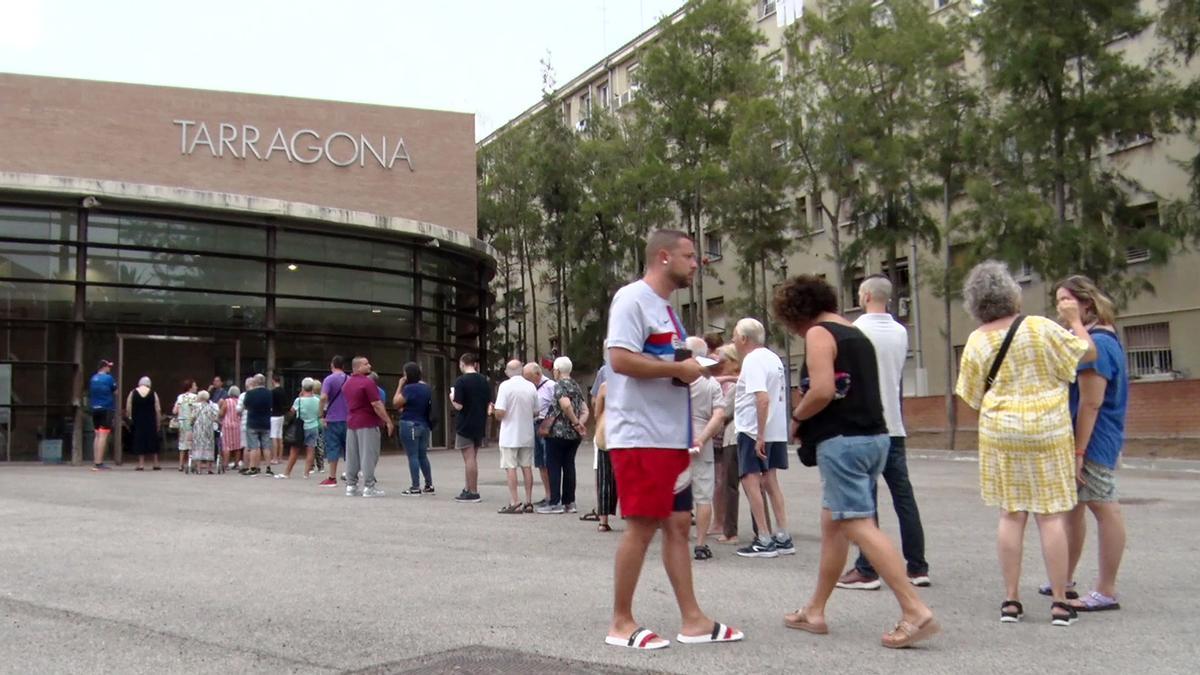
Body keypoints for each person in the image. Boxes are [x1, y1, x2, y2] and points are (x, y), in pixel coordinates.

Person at [775, 274, 939, 649]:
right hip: (875, 436)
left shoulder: (819, 333)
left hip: (843, 441)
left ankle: (915, 610)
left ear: (796, 312)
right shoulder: (855, 333)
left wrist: (796, 419)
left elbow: (821, 390)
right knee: (834, 523)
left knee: (858, 523)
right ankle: (815, 610)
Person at [604, 229, 743, 650]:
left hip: (670, 437)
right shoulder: (632, 299)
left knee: (679, 525)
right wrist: (677, 371)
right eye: (689, 255)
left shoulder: (666, 309)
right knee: (643, 524)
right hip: (641, 435)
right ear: (663, 257)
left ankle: (694, 620)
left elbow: (669, 361)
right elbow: (620, 358)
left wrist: (702, 366)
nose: (696, 262)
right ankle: (621, 623)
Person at [955, 261, 1096, 627]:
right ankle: (1061, 602)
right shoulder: (1039, 327)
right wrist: (1076, 321)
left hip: (1002, 431)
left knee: (1011, 514)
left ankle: (1011, 600)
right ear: (1011, 293)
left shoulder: (976, 340)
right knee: (1050, 517)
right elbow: (1087, 353)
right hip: (1048, 430)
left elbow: (970, 396)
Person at [838, 276, 931, 590]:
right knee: (904, 496)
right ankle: (917, 566)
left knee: (866, 499)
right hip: (895, 425)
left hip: (866, 424)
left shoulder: (855, 330)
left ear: (864, 295)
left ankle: (867, 567)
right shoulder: (901, 331)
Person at [1055, 275, 1129, 613]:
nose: (1061, 308)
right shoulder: (1099, 338)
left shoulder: (1096, 344)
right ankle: (1064, 578)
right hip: (1091, 435)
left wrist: (1079, 452)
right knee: (1074, 508)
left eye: (1067, 301)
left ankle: (1106, 589)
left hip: (1094, 437)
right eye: (1058, 301)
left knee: (1103, 505)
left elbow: (1091, 402)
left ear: (1086, 304)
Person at [731, 318, 794, 559]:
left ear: (745, 338)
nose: (733, 340)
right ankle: (783, 534)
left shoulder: (753, 360)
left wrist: (759, 435)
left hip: (753, 429)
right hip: (774, 427)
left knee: (750, 479)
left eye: (735, 335)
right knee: (771, 481)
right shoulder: (773, 358)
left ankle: (764, 538)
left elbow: (762, 398)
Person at [685, 337, 726, 561]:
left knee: (677, 494)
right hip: (702, 444)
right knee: (703, 497)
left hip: (676, 441)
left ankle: (677, 540)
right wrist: (702, 438)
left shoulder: (674, 381)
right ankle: (700, 544)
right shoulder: (711, 384)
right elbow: (719, 415)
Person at [536, 356, 589, 515]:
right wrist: (579, 424)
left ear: (557, 371)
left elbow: (565, 405)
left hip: (557, 433)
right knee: (569, 466)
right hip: (573, 436)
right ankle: (569, 502)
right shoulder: (576, 386)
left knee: (554, 466)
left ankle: (555, 502)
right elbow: (585, 410)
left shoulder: (559, 385)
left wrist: (573, 421)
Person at [342, 356, 394, 497]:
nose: (369, 365)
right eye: (366, 364)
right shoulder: (367, 383)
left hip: (352, 422)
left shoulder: (347, 384)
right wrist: (388, 421)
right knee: (369, 455)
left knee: (352, 455)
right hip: (368, 422)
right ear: (358, 367)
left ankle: (351, 485)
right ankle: (369, 486)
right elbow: (376, 404)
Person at [493, 359, 538, 513]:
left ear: (508, 371)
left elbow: (501, 412)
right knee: (527, 467)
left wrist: (494, 411)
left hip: (510, 434)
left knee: (510, 467)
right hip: (526, 433)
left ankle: (515, 501)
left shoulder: (505, 386)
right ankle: (529, 501)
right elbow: (536, 411)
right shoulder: (531, 386)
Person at [451, 352, 490, 503]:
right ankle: (468, 488)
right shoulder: (484, 380)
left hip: (465, 422)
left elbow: (459, 405)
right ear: (475, 364)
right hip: (479, 421)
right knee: (473, 457)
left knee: (469, 458)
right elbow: (488, 401)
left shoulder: (461, 381)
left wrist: (451, 398)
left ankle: (473, 491)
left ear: (462, 363)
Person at [394, 361, 435, 496]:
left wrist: (400, 385)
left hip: (409, 423)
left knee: (413, 456)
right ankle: (429, 484)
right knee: (423, 455)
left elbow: (396, 402)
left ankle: (415, 486)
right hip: (423, 424)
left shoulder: (409, 389)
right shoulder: (426, 388)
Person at [280, 378, 320, 479]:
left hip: (301, 427)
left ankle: (287, 472)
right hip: (314, 426)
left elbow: (292, 412)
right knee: (310, 449)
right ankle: (306, 473)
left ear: (302, 387)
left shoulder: (299, 400)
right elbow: (320, 413)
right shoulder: (317, 400)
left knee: (294, 450)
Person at [319, 356, 350, 488]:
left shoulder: (328, 379)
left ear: (332, 365)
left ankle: (332, 477)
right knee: (349, 448)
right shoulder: (349, 379)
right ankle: (350, 474)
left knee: (333, 447)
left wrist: (320, 414)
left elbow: (323, 397)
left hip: (332, 418)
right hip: (349, 418)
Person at [591, 374, 617, 533]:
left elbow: (597, 413)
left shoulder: (605, 387)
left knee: (604, 477)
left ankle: (603, 520)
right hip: (629, 433)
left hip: (607, 433)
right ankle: (631, 514)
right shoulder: (634, 386)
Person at [125, 376, 162, 470]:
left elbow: (128, 408)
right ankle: (156, 463)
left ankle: (141, 464)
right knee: (153, 440)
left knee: (139, 440)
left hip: (138, 421)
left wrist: (130, 417)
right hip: (151, 420)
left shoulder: (133, 393)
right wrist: (158, 422)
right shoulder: (153, 393)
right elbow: (157, 409)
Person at [532, 364, 556, 507]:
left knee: (550, 461)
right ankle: (548, 495)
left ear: (537, 374)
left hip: (547, 426)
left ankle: (554, 496)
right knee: (540, 462)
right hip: (535, 424)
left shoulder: (551, 386)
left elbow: (559, 406)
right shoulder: (531, 387)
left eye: (529, 378)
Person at [241, 374, 274, 476]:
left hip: (253, 422)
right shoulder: (269, 393)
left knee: (253, 446)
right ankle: (268, 468)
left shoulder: (250, 393)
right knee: (266, 446)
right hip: (265, 422)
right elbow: (271, 406)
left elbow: (245, 406)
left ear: (255, 382)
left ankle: (252, 467)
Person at [88, 359, 118, 471]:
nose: (109, 369)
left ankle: (95, 460)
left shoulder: (93, 378)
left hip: (95, 408)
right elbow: (116, 391)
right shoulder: (108, 378)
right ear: (104, 367)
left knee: (96, 434)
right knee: (103, 435)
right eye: (108, 367)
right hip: (106, 408)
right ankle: (99, 463)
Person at [173, 379, 198, 472]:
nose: (196, 387)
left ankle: (180, 465)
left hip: (182, 423)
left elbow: (175, 411)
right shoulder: (196, 397)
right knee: (192, 443)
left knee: (182, 444)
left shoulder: (180, 397)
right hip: (192, 423)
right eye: (195, 385)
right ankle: (191, 464)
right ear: (190, 387)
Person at [190, 390, 218, 473]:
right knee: (209, 446)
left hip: (198, 429)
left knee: (198, 446)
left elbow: (192, 418)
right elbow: (215, 417)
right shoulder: (210, 406)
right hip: (208, 429)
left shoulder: (195, 407)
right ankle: (209, 469)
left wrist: (191, 423)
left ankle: (199, 469)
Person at [219, 385, 243, 471]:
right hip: (237, 425)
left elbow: (221, 413)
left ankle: (225, 464)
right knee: (237, 445)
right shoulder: (239, 402)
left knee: (226, 445)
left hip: (227, 425)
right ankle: (236, 463)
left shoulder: (227, 401)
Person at [269, 373, 289, 465]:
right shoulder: (283, 391)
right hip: (281, 415)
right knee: (280, 436)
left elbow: (270, 404)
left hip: (274, 415)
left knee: (274, 437)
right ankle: (280, 457)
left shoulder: (273, 392)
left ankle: (274, 458)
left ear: (273, 380)